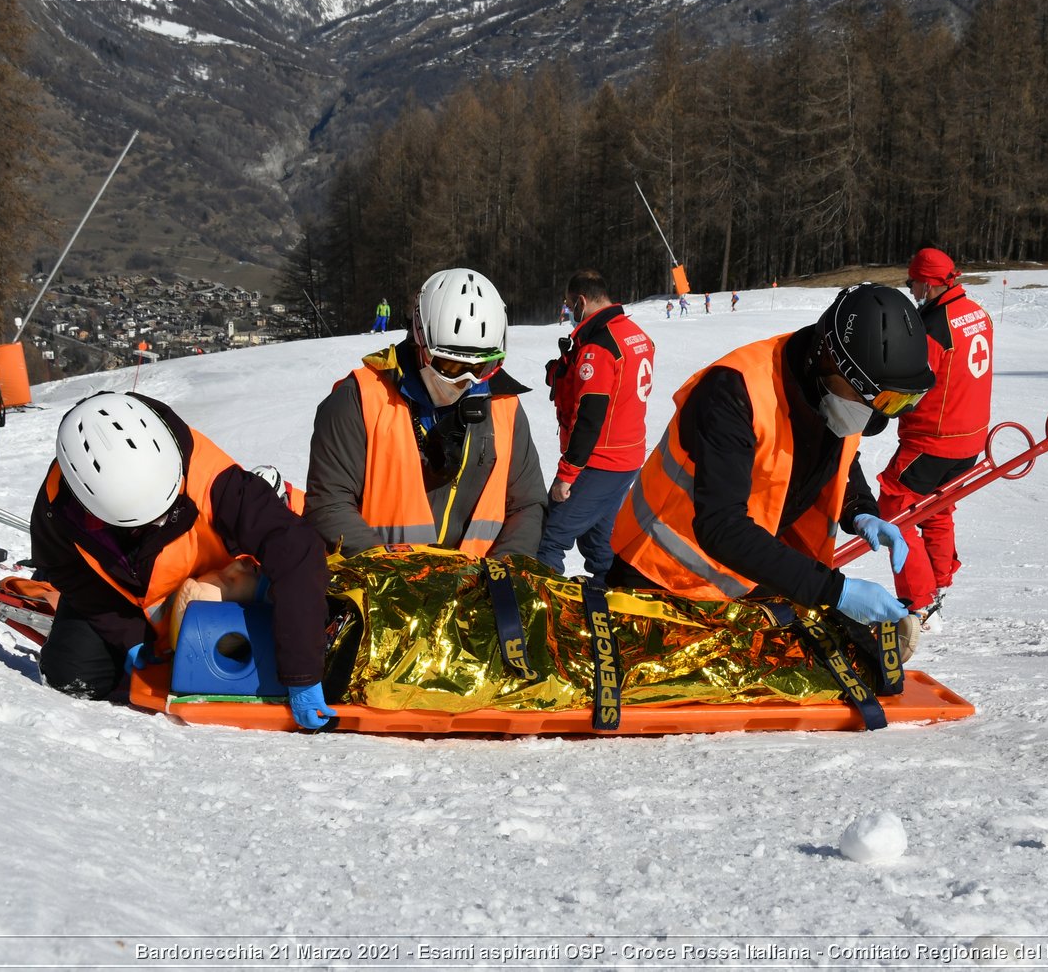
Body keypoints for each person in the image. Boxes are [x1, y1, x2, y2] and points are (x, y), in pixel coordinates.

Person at [609, 283, 936, 657]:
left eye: (899, 401)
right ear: (832, 361)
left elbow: (839, 456)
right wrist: (835, 592)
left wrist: (860, 509)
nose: (880, 414)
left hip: (742, 577)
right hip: (659, 579)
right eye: (882, 399)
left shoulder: (830, 395)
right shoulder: (733, 392)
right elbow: (721, 527)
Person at [32, 392, 337, 730]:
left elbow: (296, 550)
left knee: (290, 630)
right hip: (130, 606)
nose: (161, 525)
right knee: (73, 672)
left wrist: (303, 673)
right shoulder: (58, 509)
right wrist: (130, 637)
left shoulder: (216, 480)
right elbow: (70, 573)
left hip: (220, 588)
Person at [306, 267, 547, 560]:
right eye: (451, 367)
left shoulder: (503, 405)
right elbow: (329, 504)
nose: (467, 381)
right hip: (384, 588)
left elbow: (527, 504)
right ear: (420, 343)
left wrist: (500, 578)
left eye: (484, 367)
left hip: (474, 593)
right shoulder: (358, 398)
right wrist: (399, 577)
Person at [878, 247, 994, 621]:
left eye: (913, 283)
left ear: (927, 283)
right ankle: (939, 585)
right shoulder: (979, 314)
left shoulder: (932, 327)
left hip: (933, 441)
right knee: (936, 509)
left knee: (896, 510)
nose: (911, 290)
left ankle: (918, 601)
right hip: (971, 440)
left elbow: (912, 383)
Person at [537, 270, 655, 584]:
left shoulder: (599, 348)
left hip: (601, 460)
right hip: (627, 457)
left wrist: (567, 475)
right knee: (597, 539)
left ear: (581, 301)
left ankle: (539, 608)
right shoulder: (634, 334)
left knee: (549, 536)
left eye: (568, 305)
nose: (568, 312)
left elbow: (590, 417)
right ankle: (614, 594)